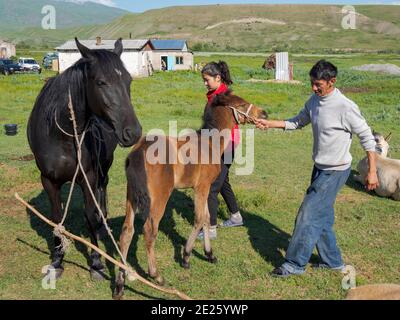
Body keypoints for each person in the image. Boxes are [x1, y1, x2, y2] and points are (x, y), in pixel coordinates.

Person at [255, 60, 379, 277]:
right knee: (322, 217)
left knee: (308, 214)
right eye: (312, 83)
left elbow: (367, 138)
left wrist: (372, 171)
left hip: (336, 171)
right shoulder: (314, 100)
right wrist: (270, 123)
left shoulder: (345, 106)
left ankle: (294, 264)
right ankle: (332, 262)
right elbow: (298, 121)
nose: (313, 88)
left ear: (332, 82)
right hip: (320, 168)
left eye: (318, 84)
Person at [198, 61, 244, 240]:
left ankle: (211, 228)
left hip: (226, 145)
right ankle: (236, 216)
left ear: (218, 77)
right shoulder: (214, 95)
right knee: (223, 181)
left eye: (207, 79)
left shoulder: (223, 97)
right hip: (218, 145)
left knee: (211, 187)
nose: (205, 83)